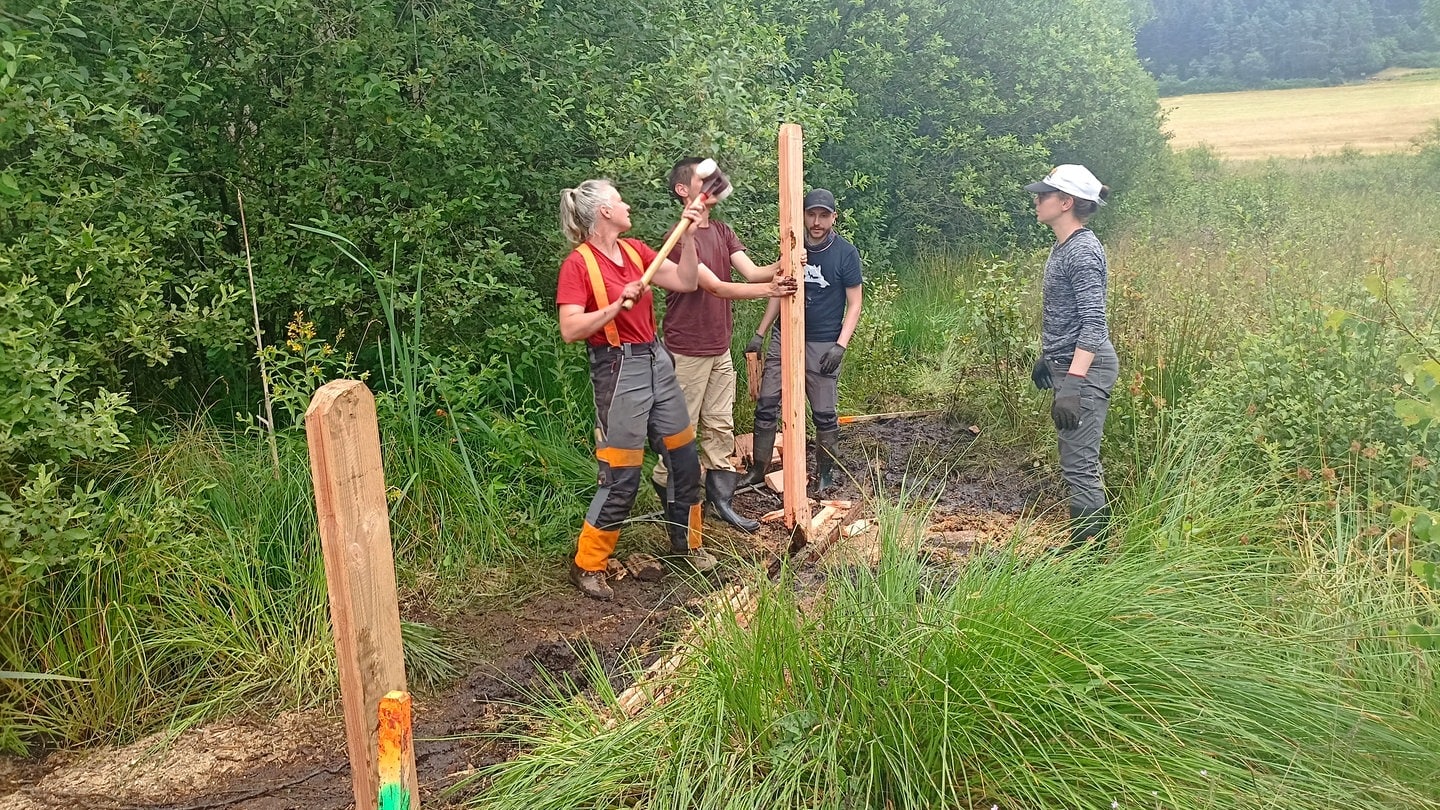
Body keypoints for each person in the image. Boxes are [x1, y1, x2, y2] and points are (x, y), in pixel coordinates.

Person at [556, 178, 713, 601]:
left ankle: (686, 546)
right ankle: (588, 564)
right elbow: (570, 329)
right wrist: (614, 305)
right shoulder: (579, 264)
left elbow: (685, 281)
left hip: (655, 359)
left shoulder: (635, 250)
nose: (626, 205)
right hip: (617, 368)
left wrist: (692, 236)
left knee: (683, 457)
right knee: (621, 473)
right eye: (619, 200)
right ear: (604, 212)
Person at [651, 157, 799, 534]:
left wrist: (789, 259)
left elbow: (751, 272)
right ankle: (676, 508)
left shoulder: (721, 230)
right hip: (686, 352)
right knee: (680, 432)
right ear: (683, 190)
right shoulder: (678, 237)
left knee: (720, 427)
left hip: (718, 349)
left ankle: (721, 503)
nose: (715, 184)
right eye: (704, 180)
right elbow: (717, 286)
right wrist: (771, 289)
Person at [740, 188, 863, 493]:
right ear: (804, 216)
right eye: (812, 214)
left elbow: (855, 303)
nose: (817, 221)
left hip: (823, 342)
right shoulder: (792, 250)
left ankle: (824, 475)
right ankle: (759, 469)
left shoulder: (845, 253)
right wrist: (760, 333)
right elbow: (776, 291)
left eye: (823, 215)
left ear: (833, 217)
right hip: (785, 336)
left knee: (824, 412)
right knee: (766, 405)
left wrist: (841, 345)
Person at [1023, 164, 1119, 550]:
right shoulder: (1063, 246)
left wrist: (1075, 382)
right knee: (1076, 461)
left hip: (1087, 369)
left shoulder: (1082, 252)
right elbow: (1071, 317)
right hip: (1068, 362)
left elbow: (1095, 324)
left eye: (1044, 194)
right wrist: (1049, 357)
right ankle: (1087, 548)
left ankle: (1089, 560)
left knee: (1079, 465)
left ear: (1066, 203)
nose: (1037, 199)